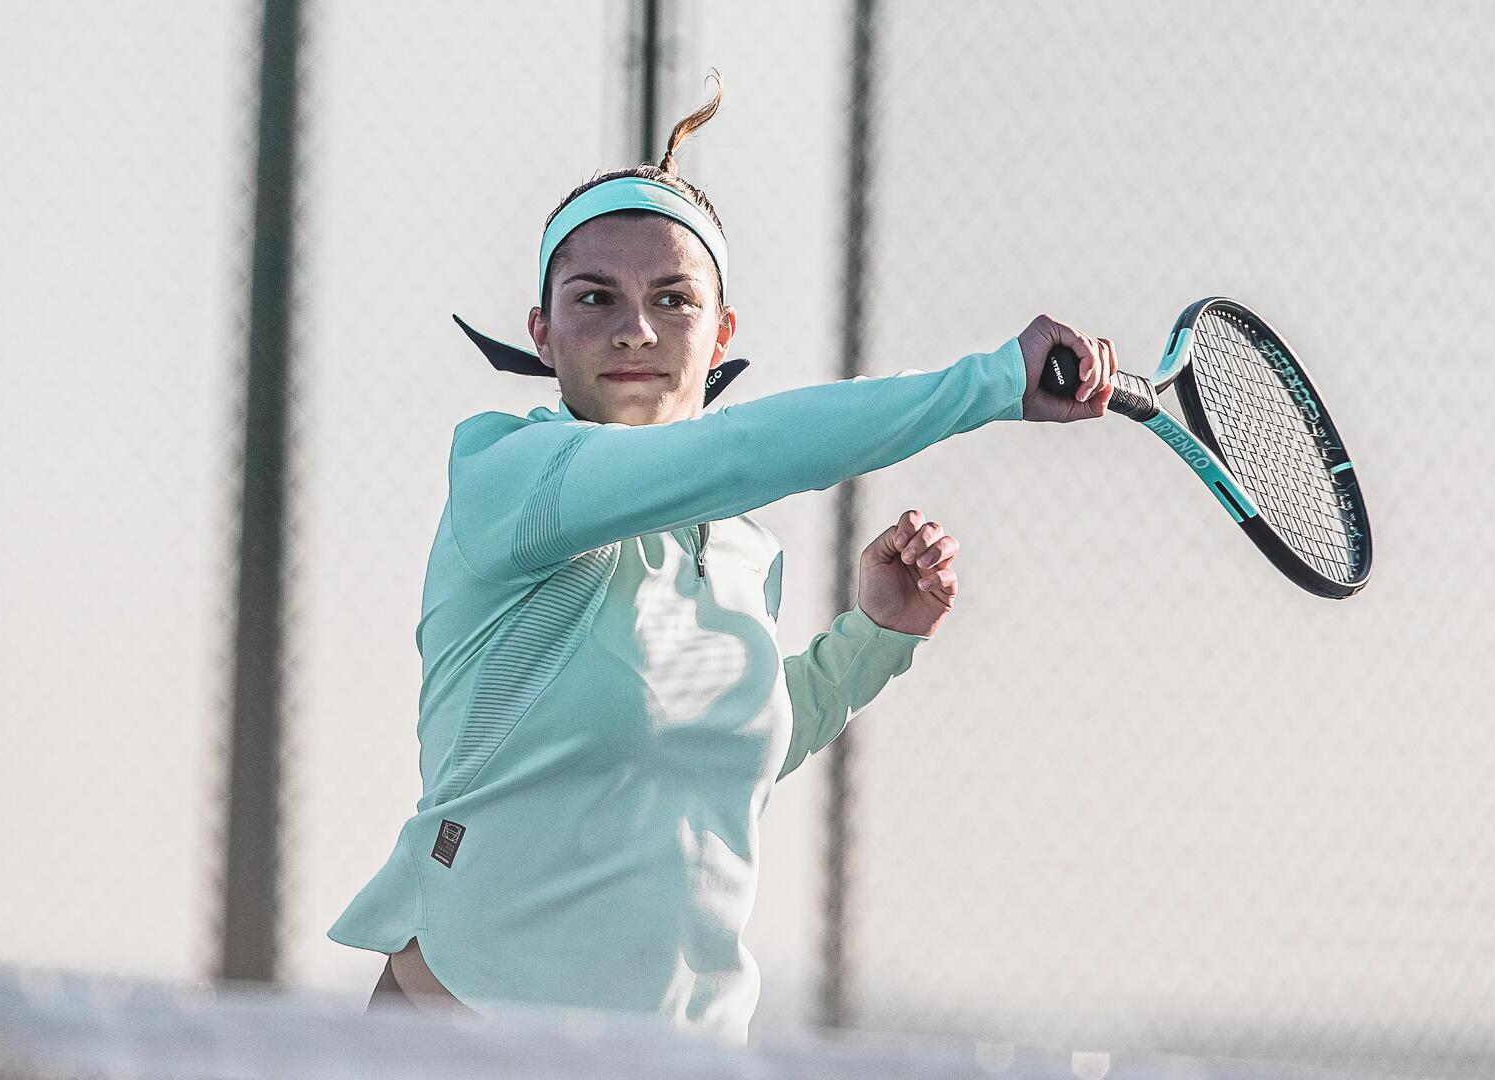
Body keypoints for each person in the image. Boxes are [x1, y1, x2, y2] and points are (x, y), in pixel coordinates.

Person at [328, 74, 1119, 1045]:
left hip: (687, 1049)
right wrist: (992, 384)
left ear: (722, 334)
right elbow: (734, 453)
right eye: (593, 298)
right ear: (540, 330)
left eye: (673, 299)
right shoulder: (507, 473)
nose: (636, 328)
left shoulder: (739, 548)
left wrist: (871, 640)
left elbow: (716, 747)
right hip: (461, 1036)